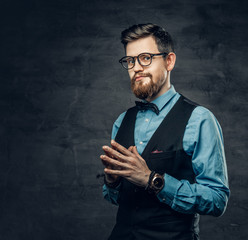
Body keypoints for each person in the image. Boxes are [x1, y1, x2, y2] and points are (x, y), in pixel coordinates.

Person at [100, 23, 230, 240]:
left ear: (169, 61)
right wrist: (112, 182)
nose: (136, 68)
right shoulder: (121, 121)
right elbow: (113, 198)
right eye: (130, 61)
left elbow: (217, 200)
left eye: (145, 58)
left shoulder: (199, 120)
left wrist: (153, 180)